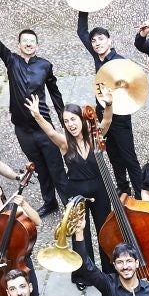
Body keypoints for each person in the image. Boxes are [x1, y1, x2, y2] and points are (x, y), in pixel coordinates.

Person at [0, 1, 67, 213]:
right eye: (24, 41)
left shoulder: (45, 65)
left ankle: (68, 203)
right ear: (18, 45)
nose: (28, 44)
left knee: (56, 167)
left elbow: (54, 91)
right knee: (40, 167)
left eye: (32, 41)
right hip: (23, 129)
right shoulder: (11, 60)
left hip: (44, 126)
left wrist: (63, 118)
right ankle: (49, 202)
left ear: (37, 45)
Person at [25, 99, 113, 270]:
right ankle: (85, 271)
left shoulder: (95, 137)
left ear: (82, 119)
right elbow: (50, 132)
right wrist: (37, 115)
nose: (70, 124)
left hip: (100, 188)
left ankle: (109, 269)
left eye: (73, 119)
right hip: (77, 190)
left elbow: (107, 120)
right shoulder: (65, 143)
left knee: (104, 228)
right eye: (66, 121)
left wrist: (108, 105)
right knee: (80, 232)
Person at [74, 12, 146, 195]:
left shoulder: (119, 61)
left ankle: (140, 193)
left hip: (120, 115)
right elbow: (81, 31)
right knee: (113, 155)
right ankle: (123, 187)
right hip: (102, 115)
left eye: (101, 39)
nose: (97, 43)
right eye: (94, 41)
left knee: (129, 157)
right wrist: (84, 8)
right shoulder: (97, 56)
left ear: (110, 41)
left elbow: (134, 86)